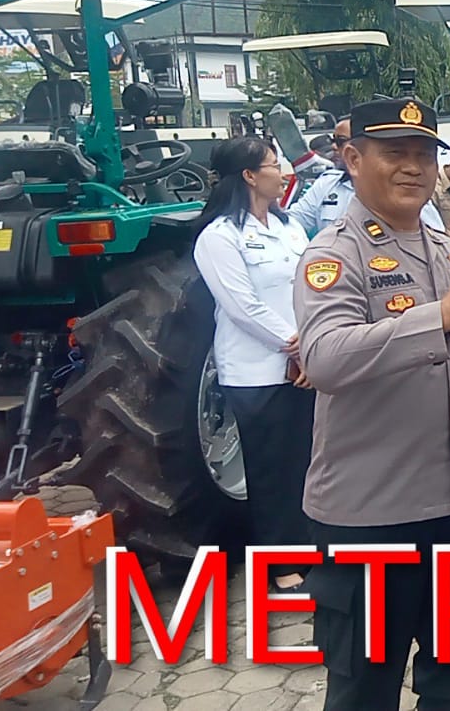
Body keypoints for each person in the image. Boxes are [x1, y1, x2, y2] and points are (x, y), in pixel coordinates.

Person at [293, 98, 450, 711]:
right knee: (364, 690)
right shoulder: (332, 256)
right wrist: (436, 318)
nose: (413, 168)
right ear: (352, 159)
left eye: (423, 155)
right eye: (394, 153)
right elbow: (325, 359)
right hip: (372, 521)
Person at [191, 136, 315, 593]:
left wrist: (314, 342)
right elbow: (242, 306)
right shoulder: (219, 237)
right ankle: (280, 565)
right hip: (258, 370)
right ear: (248, 175)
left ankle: (312, 548)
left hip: (305, 362)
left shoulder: (289, 227)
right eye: (273, 165)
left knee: (306, 462)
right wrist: (294, 345)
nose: (282, 172)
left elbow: (310, 285)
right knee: (271, 470)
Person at [291, 115, 444, 235]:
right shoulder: (327, 184)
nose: (334, 146)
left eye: (341, 141)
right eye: (335, 140)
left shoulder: (406, 191)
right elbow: (292, 225)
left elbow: (434, 243)